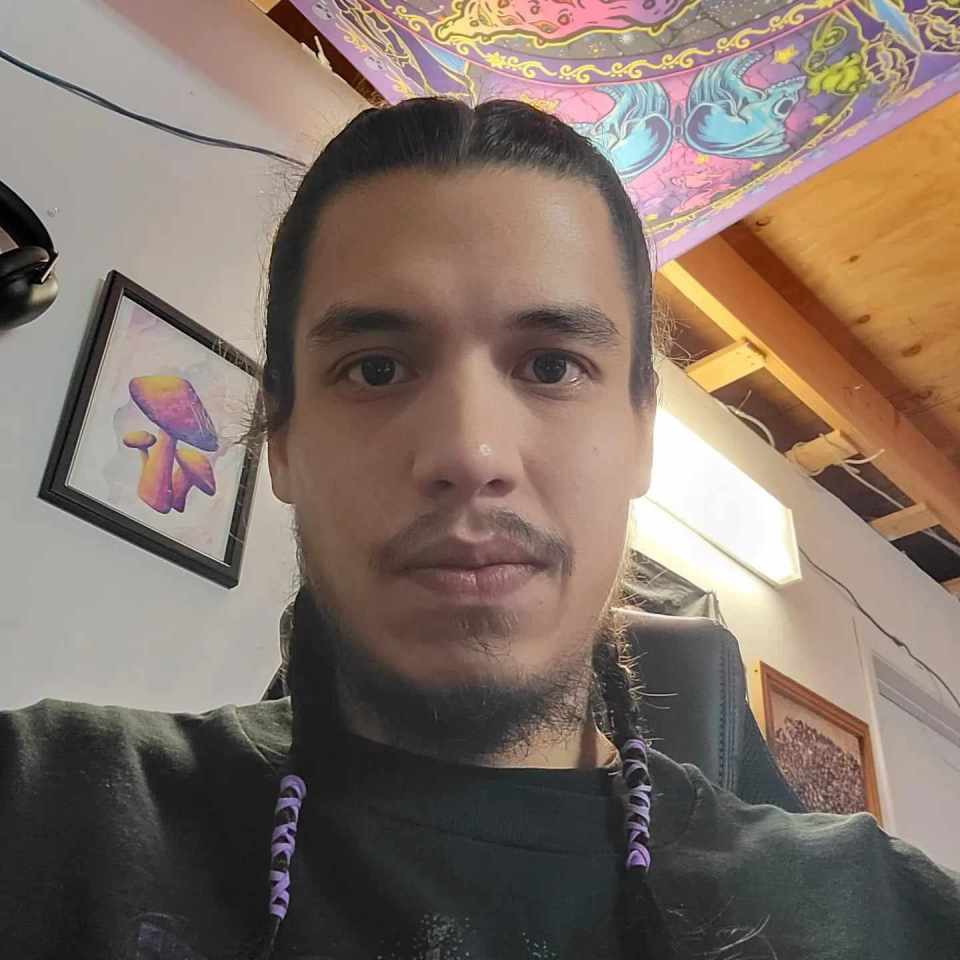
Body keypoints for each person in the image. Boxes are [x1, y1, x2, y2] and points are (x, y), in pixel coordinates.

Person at [1, 97, 958, 960]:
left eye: (551, 366)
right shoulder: (50, 810)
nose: (469, 451)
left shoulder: (882, 915)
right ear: (279, 439)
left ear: (641, 438)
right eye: (377, 369)